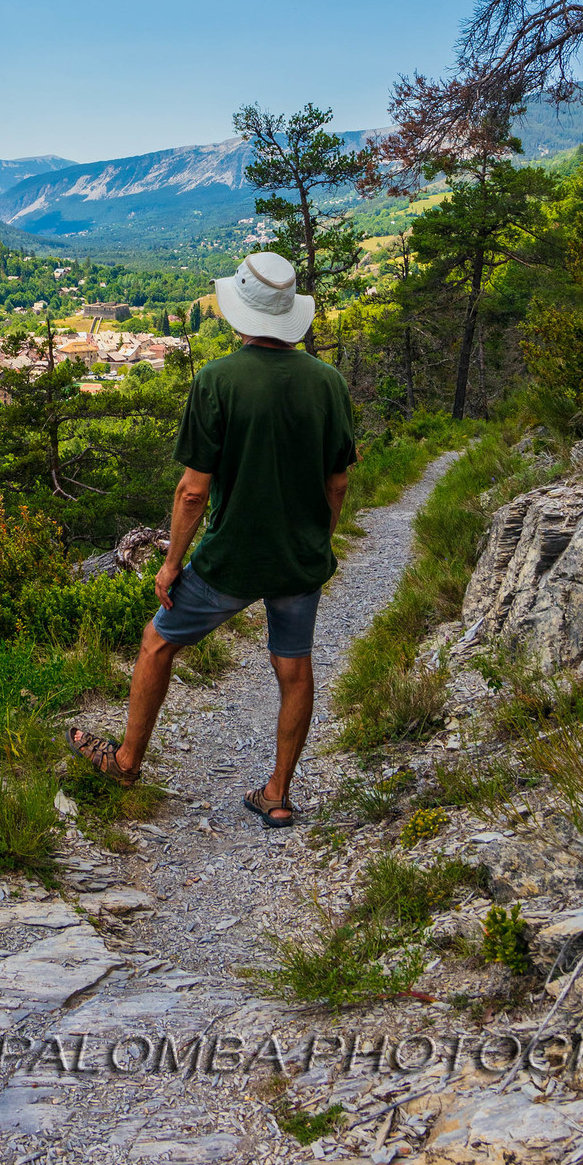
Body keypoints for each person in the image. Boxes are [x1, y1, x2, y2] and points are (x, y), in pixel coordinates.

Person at [68, 250, 357, 826]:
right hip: (299, 559)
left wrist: (172, 563)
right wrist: (317, 542)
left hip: (231, 559)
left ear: (242, 314)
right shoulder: (328, 383)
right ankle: (277, 793)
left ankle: (126, 763)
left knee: (157, 642)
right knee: (294, 666)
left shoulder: (217, 380)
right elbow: (339, 480)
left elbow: (192, 493)